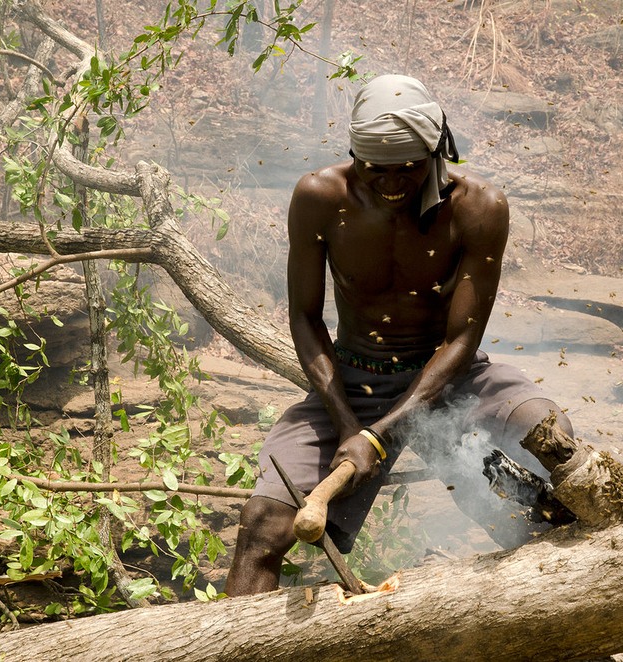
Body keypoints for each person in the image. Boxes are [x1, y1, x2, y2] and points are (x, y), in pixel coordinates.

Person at [225, 74, 574, 596]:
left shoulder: (479, 207)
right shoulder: (321, 196)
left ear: (436, 152)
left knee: (550, 434)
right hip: (354, 382)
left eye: (407, 170)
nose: (390, 184)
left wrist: (377, 436)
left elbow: (461, 340)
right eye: (375, 171)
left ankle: (571, 590)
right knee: (261, 526)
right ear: (354, 155)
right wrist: (349, 424)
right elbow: (305, 318)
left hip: (452, 378)